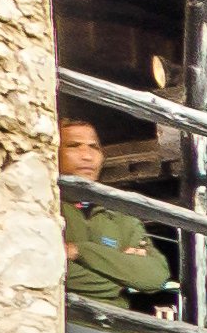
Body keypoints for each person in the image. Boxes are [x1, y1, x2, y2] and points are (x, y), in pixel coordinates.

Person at [60, 110, 172, 309]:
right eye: (74, 146)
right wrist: (121, 277)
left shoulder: (120, 215)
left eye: (93, 147)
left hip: (116, 332)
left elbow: (156, 276)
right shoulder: (45, 209)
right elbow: (55, 276)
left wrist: (78, 251)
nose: (87, 156)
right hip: (65, 328)